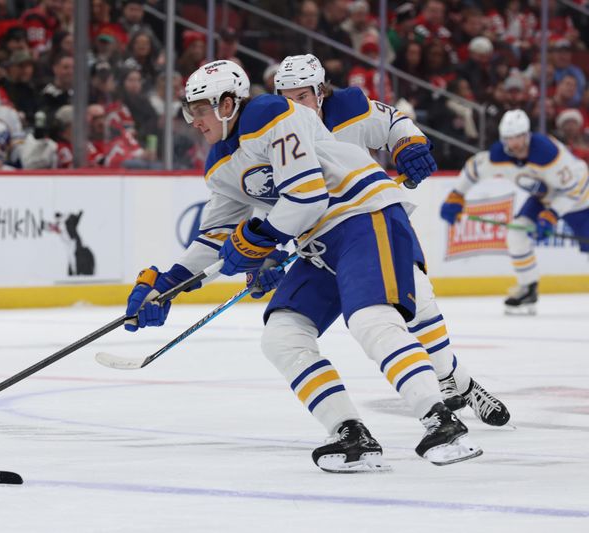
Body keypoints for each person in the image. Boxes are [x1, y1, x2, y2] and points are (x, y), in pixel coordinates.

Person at [124, 60, 484, 473]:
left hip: (363, 216)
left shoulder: (268, 114)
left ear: (227, 104)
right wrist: (168, 284)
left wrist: (260, 239)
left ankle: (440, 420)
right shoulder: (221, 163)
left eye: (200, 109)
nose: (194, 120)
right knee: (281, 336)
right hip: (319, 245)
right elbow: (215, 236)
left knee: (370, 320)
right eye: (190, 111)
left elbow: (308, 196)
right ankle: (350, 433)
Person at [273, 53, 510, 428]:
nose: (293, 106)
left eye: (300, 96)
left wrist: (409, 146)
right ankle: (458, 383)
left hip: (370, 222)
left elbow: (396, 122)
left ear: (320, 93)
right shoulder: (277, 133)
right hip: (323, 244)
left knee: (418, 299)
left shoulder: (348, 108)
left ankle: (453, 378)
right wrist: (266, 256)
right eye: (285, 97)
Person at [441, 109, 589, 315]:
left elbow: (575, 188)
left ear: (527, 134)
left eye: (519, 137)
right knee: (517, 234)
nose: (515, 144)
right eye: (510, 139)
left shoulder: (547, 153)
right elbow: (473, 168)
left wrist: (552, 214)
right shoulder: (499, 155)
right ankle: (528, 288)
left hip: (580, 199)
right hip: (544, 198)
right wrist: (457, 195)